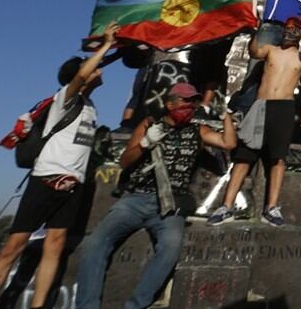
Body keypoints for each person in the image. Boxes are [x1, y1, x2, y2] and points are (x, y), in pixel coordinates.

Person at [0, 23, 119, 309]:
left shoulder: (90, 106)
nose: (100, 72)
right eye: (95, 70)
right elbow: (83, 74)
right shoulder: (65, 98)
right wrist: (105, 46)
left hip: (71, 185)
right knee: (13, 248)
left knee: (55, 244)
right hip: (45, 179)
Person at [75, 82, 236, 309]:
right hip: (136, 199)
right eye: (185, 100)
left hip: (170, 205)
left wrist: (225, 115)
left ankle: (136, 305)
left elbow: (228, 142)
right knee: (96, 243)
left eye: (193, 101)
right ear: (169, 103)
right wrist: (145, 143)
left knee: (170, 248)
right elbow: (125, 161)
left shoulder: (197, 130)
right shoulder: (150, 124)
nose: (189, 106)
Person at [208, 17, 301, 227]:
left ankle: (272, 208)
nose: (290, 32)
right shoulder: (271, 50)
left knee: (278, 159)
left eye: (295, 29)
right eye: (288, 28)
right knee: (244, 158)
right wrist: (257, 30)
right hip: (261, 106)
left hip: (284, 108)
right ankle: (226, 206)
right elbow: (254, 51)